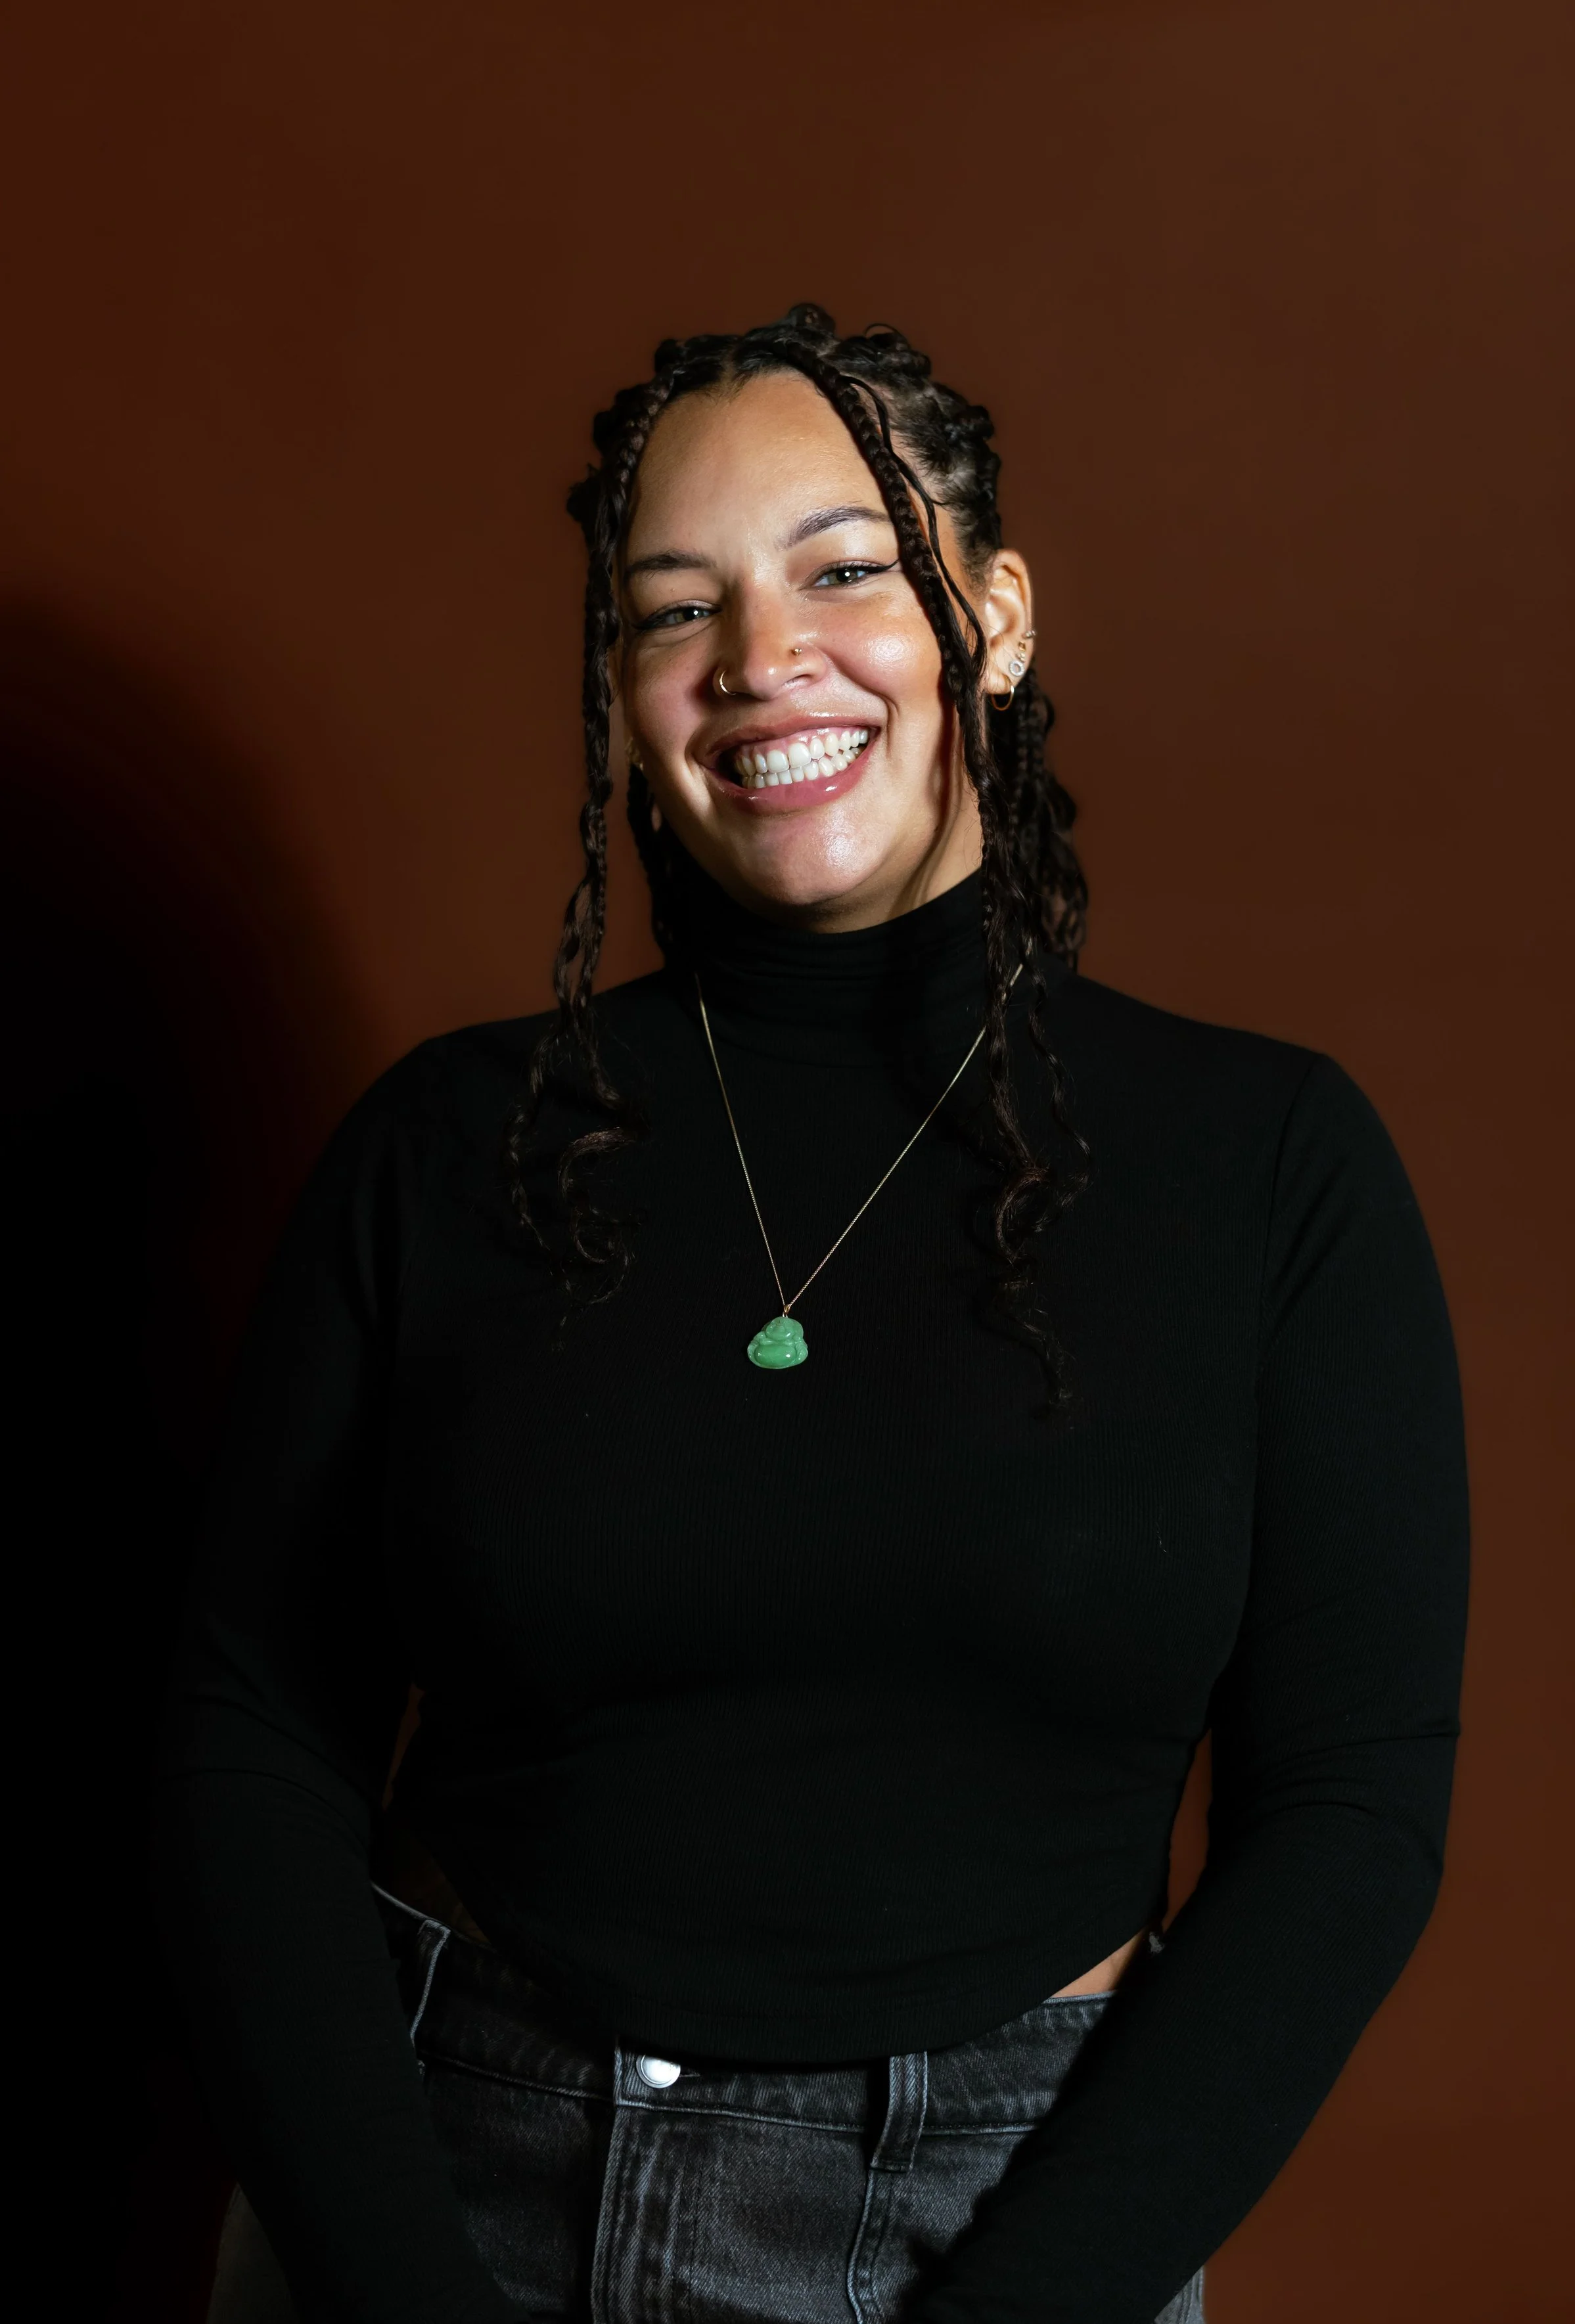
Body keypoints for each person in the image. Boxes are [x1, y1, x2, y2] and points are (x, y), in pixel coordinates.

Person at [155, 304, 1469, 2324]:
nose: (761, 658)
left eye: (843, 568)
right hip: (434, 2188)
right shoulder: (447, 1145)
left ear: (993, 617)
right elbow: (248, 1732)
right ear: (623, 694)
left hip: (1007, 2220)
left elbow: (1348, 1810)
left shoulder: (1264, 1161)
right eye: (674, 609)